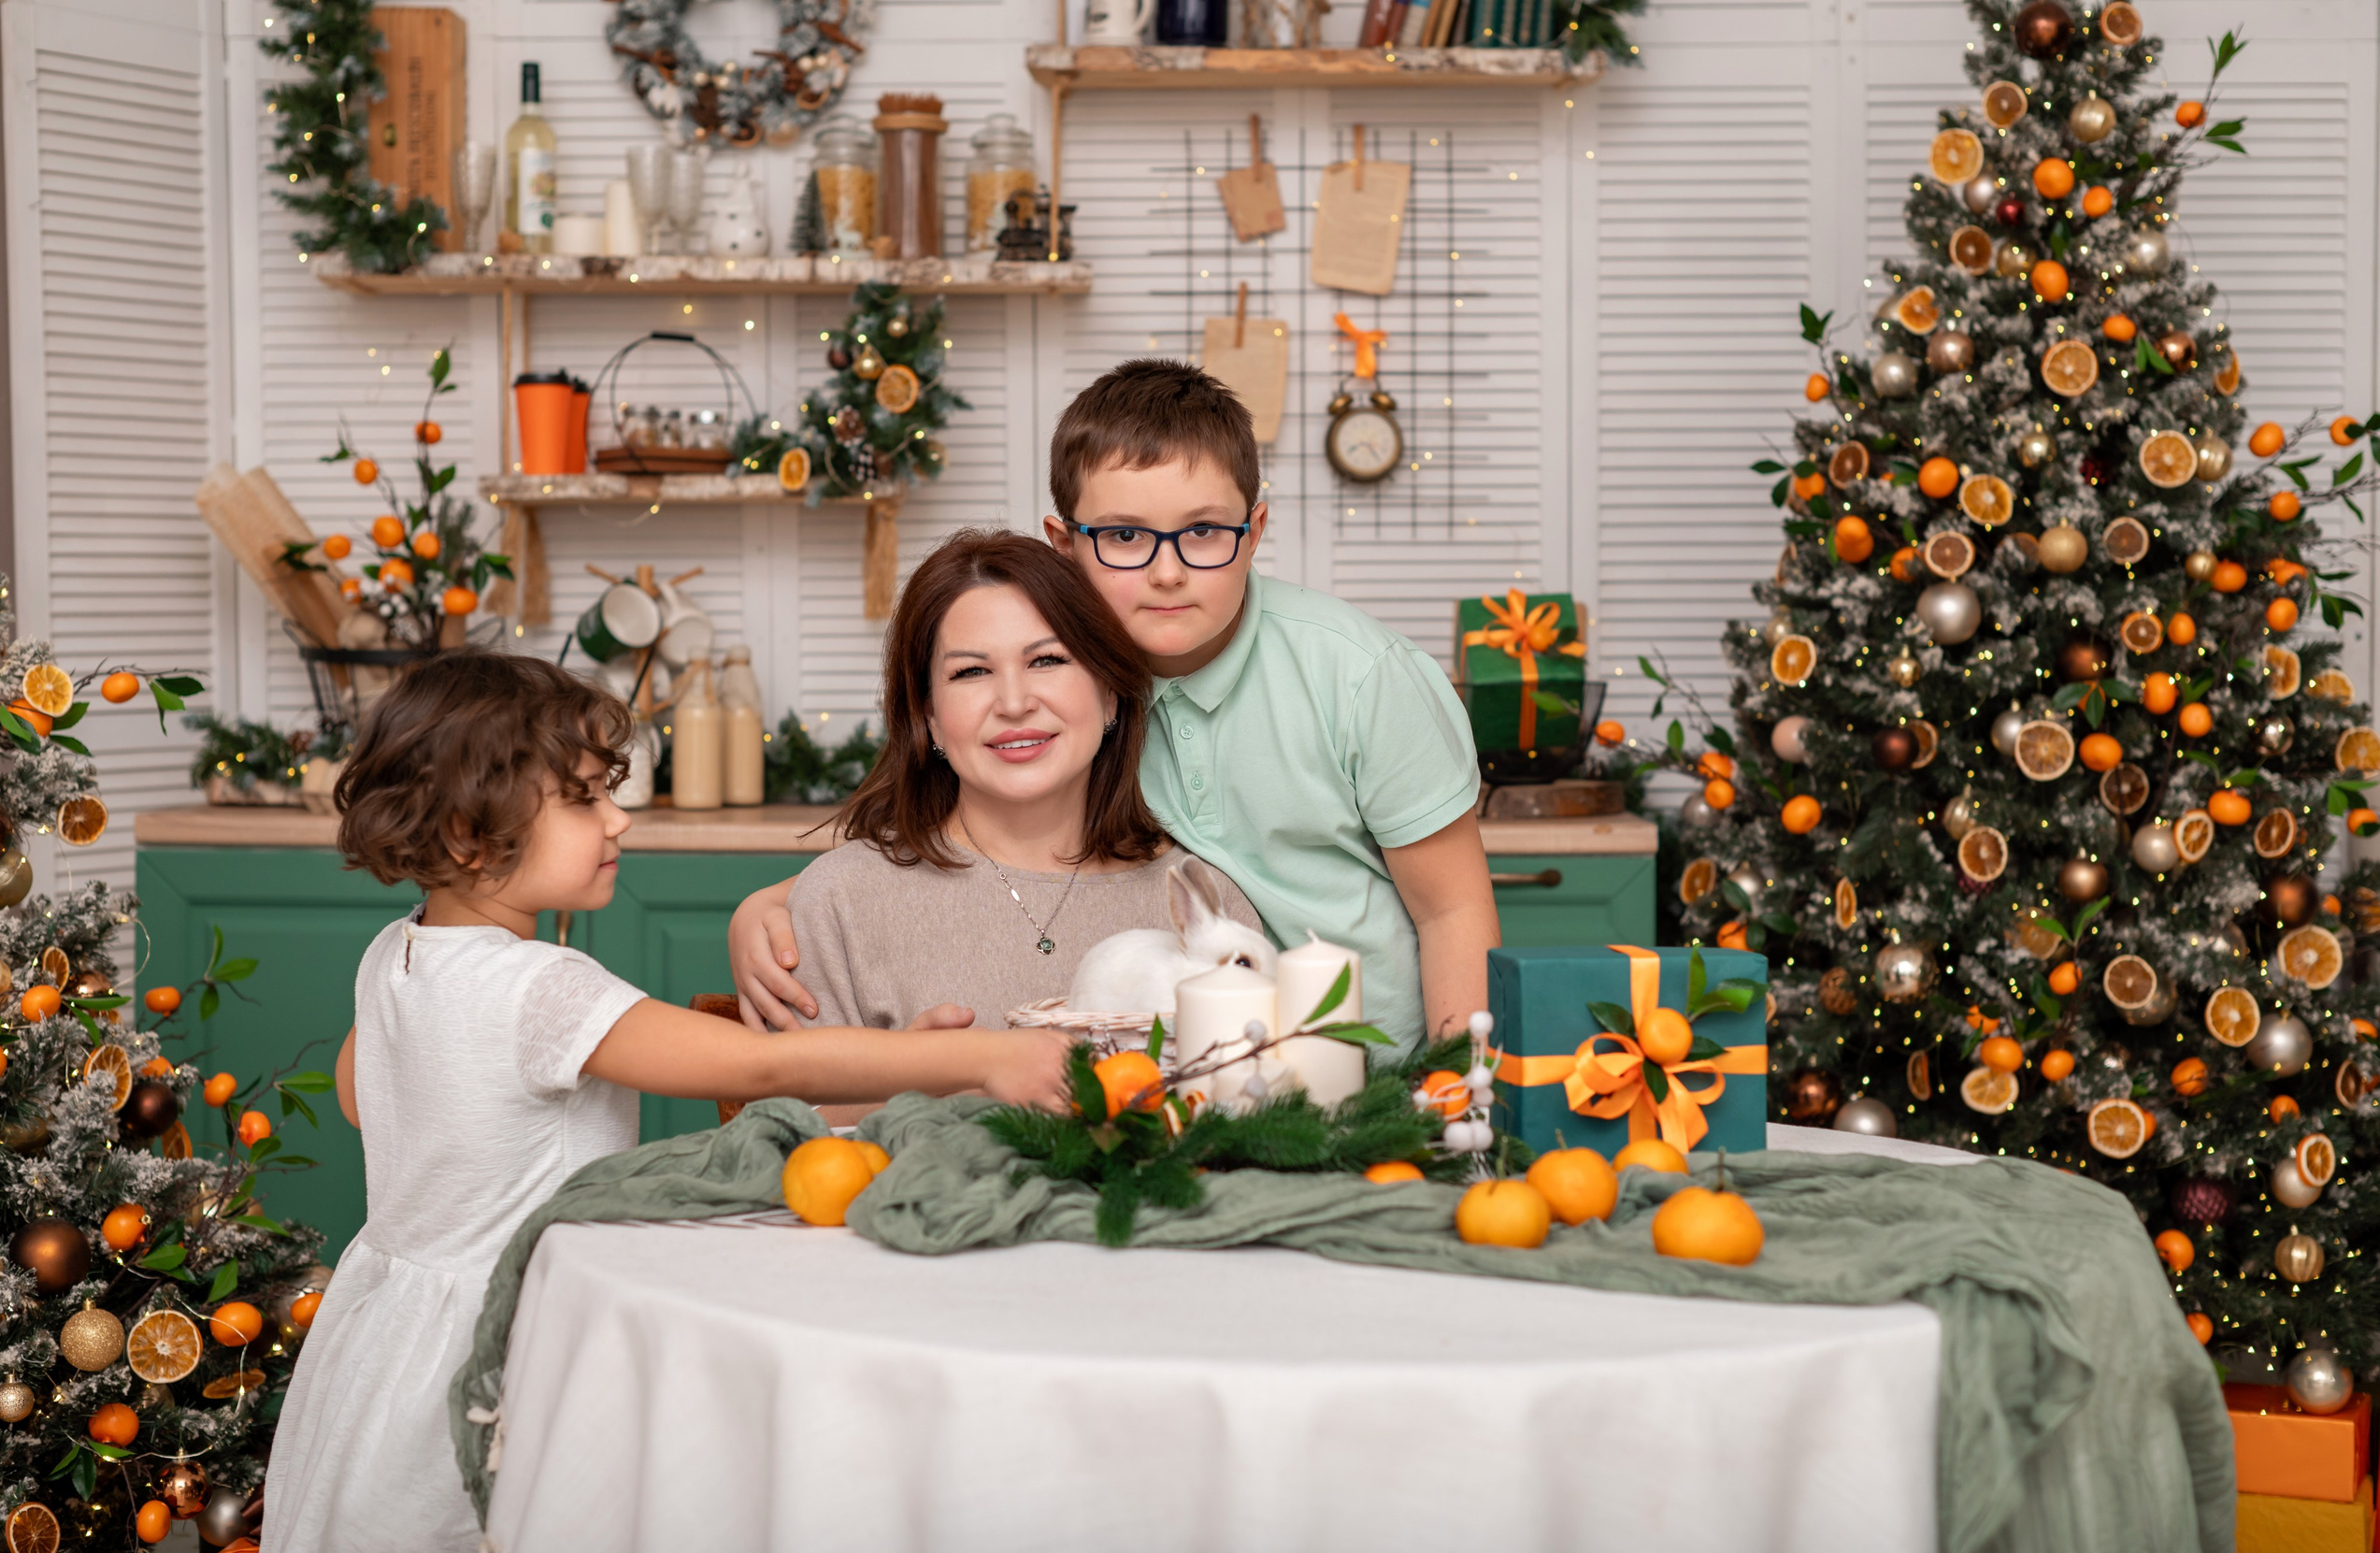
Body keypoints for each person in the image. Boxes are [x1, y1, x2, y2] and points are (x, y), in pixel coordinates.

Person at [264, 650, 1068, 1553]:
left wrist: (895, 1065)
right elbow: (754, 1069)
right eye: (582, 799)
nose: (620, 816)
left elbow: (365, 1098)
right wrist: (978, 1057)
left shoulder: (394, 954)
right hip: (505, 1336)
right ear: (464, 834)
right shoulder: (540, 987)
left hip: (386, 1331)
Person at [731, 361, 1497, 1052]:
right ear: (1065, 544)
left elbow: (1452, 913)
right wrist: (772, 905)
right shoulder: (1080, 686)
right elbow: (963, 849)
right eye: (1126, 535)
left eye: (1202, 531)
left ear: (1254, 530)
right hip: (1224, 1074)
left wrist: (1453, 1098)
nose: (1166, 573)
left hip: (1392, 1074)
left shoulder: (1360, 677)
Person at [774, 528, 1267, 1036]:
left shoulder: (1211, 908)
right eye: (971, 672)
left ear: (1110, 694)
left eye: (1047, 660)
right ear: (931, 718)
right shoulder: (839, 902)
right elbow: (793, 1115)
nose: (1013, 702)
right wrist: (905, 1086)